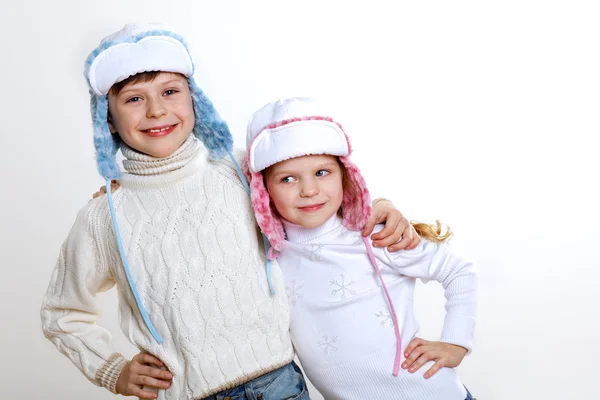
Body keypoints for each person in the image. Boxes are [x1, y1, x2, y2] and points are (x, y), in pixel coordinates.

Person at [41, 24, 418, 400]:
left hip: (279, 383)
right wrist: (111, 370)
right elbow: (62, 313)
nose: (157, 110)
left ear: (195, 100)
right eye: (134, 99)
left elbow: (314, 198)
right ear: (108, 120)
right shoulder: (104, 217)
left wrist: (378, 206)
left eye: (170, 92)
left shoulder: (241, 171)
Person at [242, 97, 478, 400]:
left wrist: (457, 342)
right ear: (263, 190)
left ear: (345, 174)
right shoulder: (271, 257)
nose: (309, 190)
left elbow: (458, 271)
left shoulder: (373, 235)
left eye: (322, 172)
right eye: (287, 178)